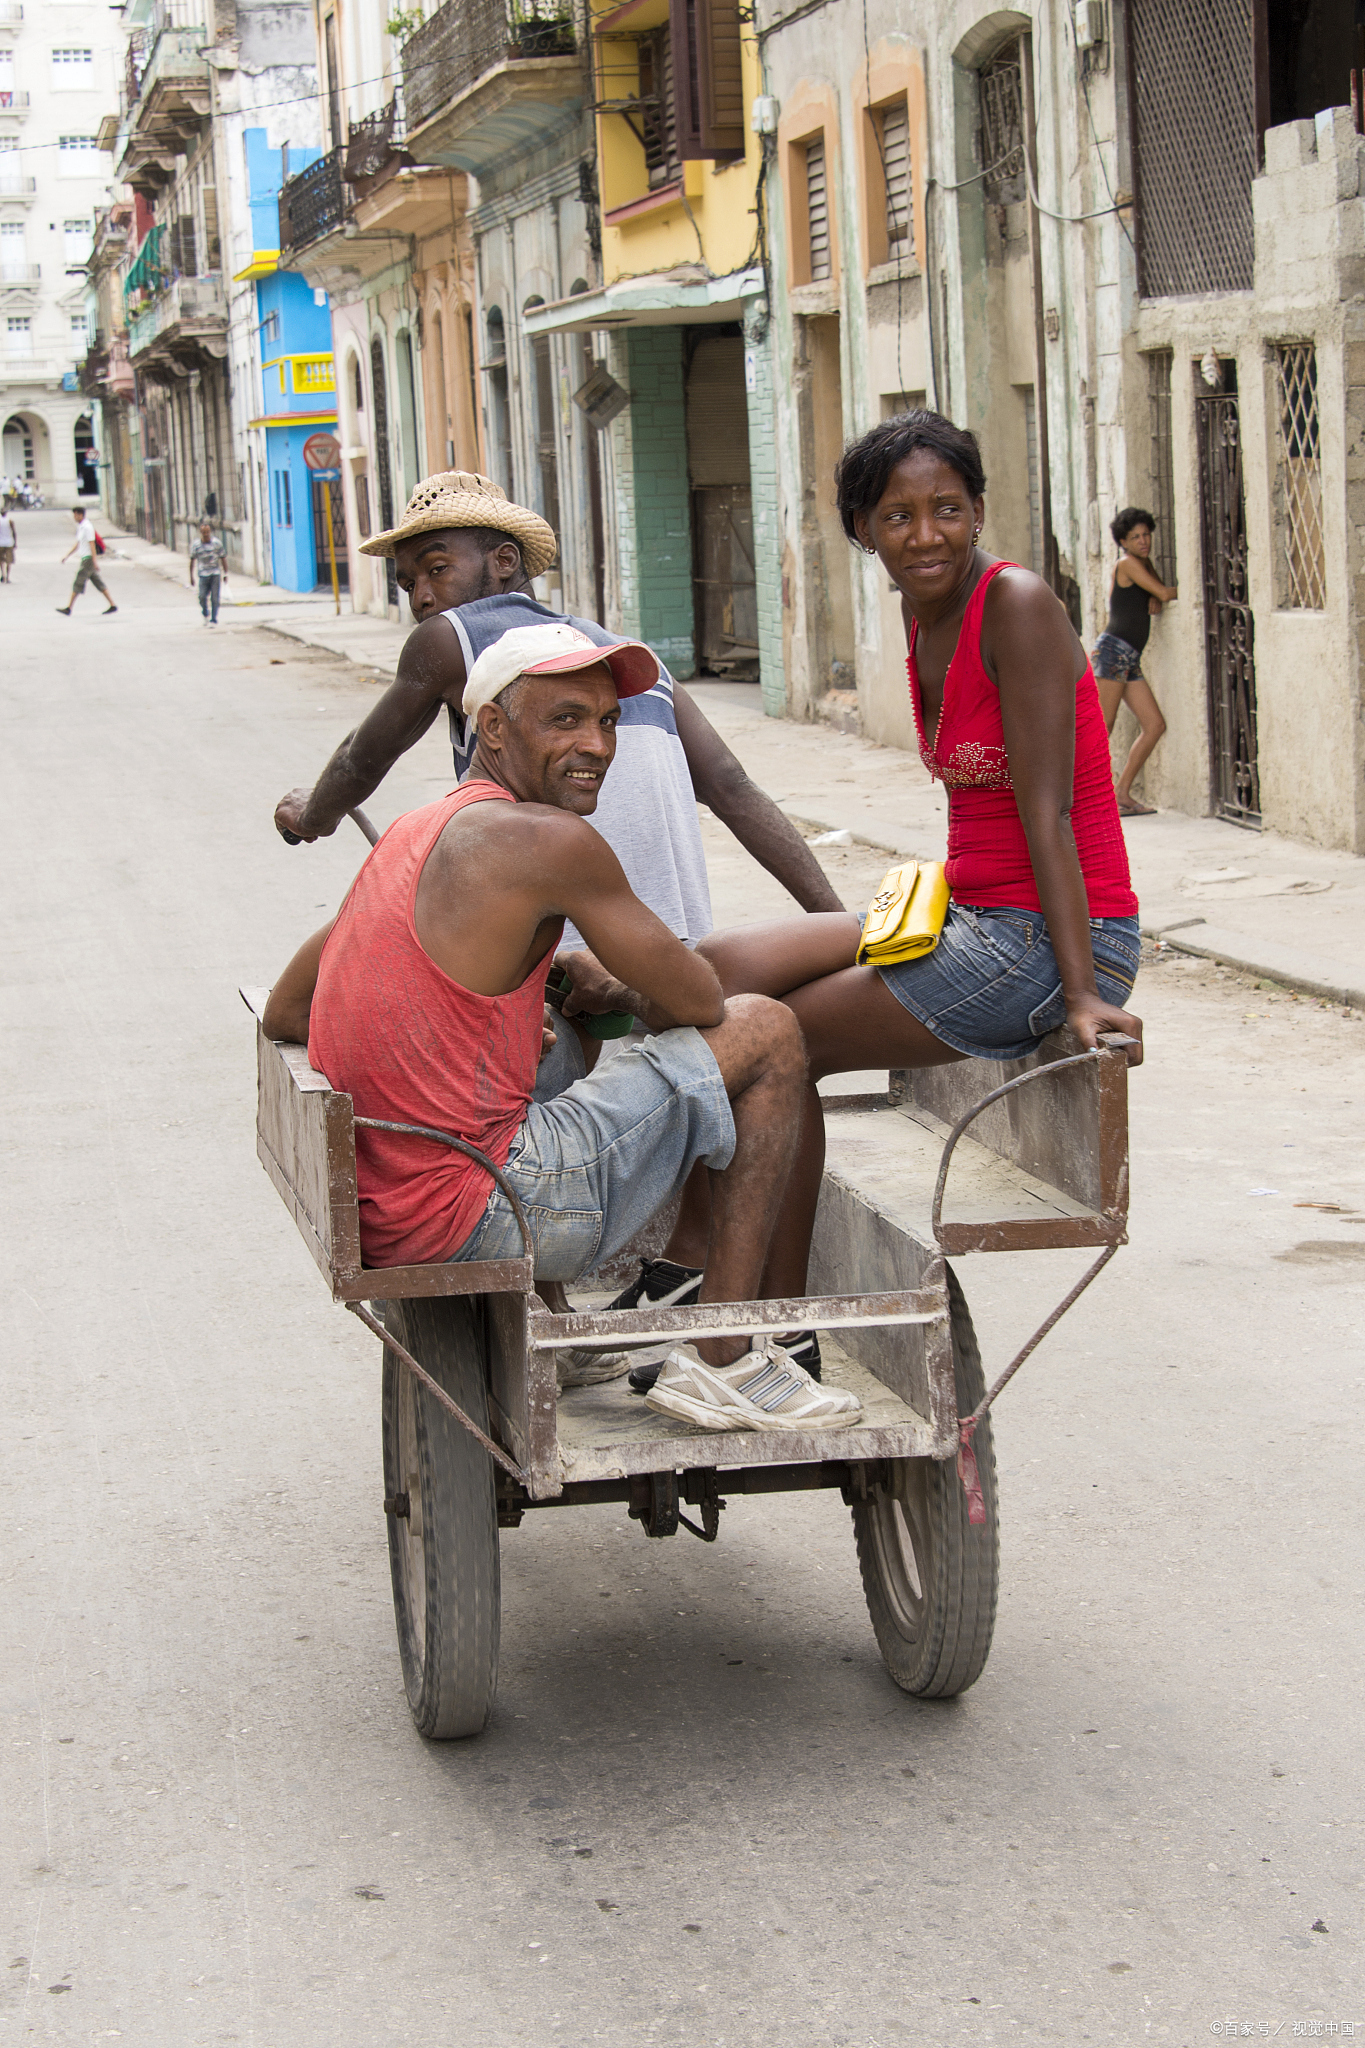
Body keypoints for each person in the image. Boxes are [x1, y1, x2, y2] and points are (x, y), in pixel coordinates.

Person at [565, 408, 1145, 1382]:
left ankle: (757, 1311)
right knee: (721, 976)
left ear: (979, 511)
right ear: (865, 531)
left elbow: (1048, 814)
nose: (927, 533)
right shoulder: (926, 621)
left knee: (772, 1037)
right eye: (899, 514)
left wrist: (1084, 994)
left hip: (1045, 940)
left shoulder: (1018, 605)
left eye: (948, 508)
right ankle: (728, 1284)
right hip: (971, 913)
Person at [263, 620, 861, 1434]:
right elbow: (698, 1003)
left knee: (537, 1025)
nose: (598, 745)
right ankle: (721, 1354)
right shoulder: (552, 842)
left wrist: (529, 985)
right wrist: (615, 980)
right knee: (768, 1030)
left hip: (392, 1205)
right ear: (495, 729)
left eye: (609, 721)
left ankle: (557, 1329)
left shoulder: (414, 833)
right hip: (490, 1207)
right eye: (566, 719)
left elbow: (286, 1009)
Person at [1091, 507, 1176, 817]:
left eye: (1146, 535)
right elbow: (1164, 594)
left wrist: (1154, 595)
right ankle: (1080, 796)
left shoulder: (1143, 564)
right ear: (1123, 542)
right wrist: (1177, 592)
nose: (1144, 541)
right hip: (1114, 651)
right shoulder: (1127, 563)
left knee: (1154, 725)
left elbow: (1154, 596)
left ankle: (1122, 792)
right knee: (1104, 727)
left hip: (1129, 658)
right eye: (1135, 537)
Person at [56, 507, 116, 617]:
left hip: (87, 559)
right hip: (85, 558)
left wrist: (94, 560)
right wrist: (67, 556)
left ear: (80, 515)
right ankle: (112, 605)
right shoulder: (81, 527)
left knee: (78, 583)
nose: (74, 517)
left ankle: (69, 608)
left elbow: (91, 544)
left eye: (75, 515)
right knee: (98, 582)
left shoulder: (87, 527)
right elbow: (78, 544)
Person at [189, 519, 226, 625]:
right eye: (203, 532)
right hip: (203, 574)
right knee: (202, 596)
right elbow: (192, 560)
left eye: (207, 532)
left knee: (215, 597)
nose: (205, 534)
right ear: (200, 533)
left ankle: (214, 618)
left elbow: (223, 557)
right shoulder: (196, 545)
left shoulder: (216, 543)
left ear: (210, 532)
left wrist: (225, 573)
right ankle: (205, 612)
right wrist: (191, 576)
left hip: (215, 573)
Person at [0, 504, 15, 583]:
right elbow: (14, 532)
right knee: (9, 561)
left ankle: (3, 575)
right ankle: (8, 577)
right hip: (9, 543)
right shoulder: (10, 520)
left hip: (0, 543)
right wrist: (15, 542)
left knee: (1, 560)